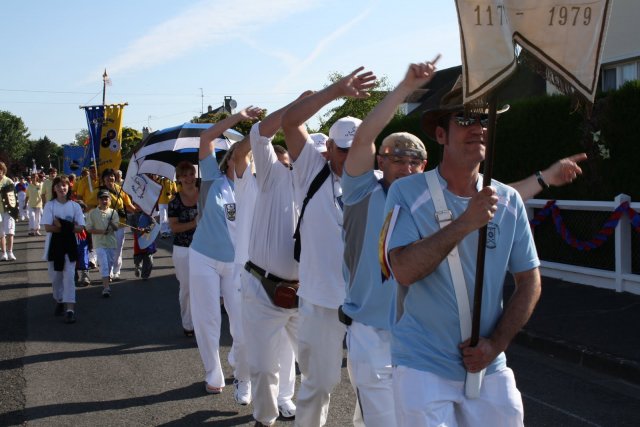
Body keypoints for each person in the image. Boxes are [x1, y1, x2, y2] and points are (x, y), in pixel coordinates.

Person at [380, 75, 542, 427]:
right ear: (441, 135)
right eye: (466, 119)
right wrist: (466, 222)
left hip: (488, 367)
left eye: (485, 119)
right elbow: (403, 269)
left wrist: (495, 345)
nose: (478, 127)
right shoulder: (406, 192)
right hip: (421, 367)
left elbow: (530, 281)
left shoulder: (509, 201)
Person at [281, 67, 376, 427]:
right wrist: (336, 90)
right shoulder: (310, 172)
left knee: (371, 388)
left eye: (360, 148)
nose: (351, 157)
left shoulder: (379, 182)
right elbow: (291, 123)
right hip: (320, 302)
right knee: (318, 386)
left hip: (368, 305)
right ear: (330, 149)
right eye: (344, 150)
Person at [240, 97, 306, 425]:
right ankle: (264, 418)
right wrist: (298, 105)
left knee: (315, 367)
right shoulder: (272, 174)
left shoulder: (327, 187)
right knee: (264, 367)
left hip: (306, 293)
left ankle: (293, 404)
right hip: (263, 286)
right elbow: (259, 135)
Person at [189, 106, 261, 399]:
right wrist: (239, 117)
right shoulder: (212, 181)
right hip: (203, 257)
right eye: (236, 155)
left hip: (237, 265)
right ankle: (213, 373)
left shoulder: (256, 187)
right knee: (207, 320)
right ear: (229, 159)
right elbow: (206, 138)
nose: (241, 160)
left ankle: (242, 376)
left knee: (241, 324)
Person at [41, 175, 85, 323]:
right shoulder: (50, 205)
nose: (62, 188)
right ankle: (59, 299)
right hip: (54, 246)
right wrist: (68, 226)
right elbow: (48, 227)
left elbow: (80, 228)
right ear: (54, 188)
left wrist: (62, 225)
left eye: (64, 185)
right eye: (59, 185)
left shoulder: (75, 206)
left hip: (70, 245)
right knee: (56, 277)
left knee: (69, 277)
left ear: (69, 187)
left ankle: (70, 309)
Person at [168, 161, 198, 337]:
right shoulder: (175, 202)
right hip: (183, 249)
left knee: (203, 287)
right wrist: (194, 223)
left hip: (205, 249)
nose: (189, 178)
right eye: (184, 175)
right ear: (178, 178)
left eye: (191, 174)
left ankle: (201, 321)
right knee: (186, 287)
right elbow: (174, 228)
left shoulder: (204, 194)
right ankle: (188, 323)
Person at [93, 168, 136, 280]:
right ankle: (108, 272)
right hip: (105, 226)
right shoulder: (99, 191)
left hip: (120, 224)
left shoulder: (120, 189)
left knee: (117, 250)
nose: (110, 178)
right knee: (108, 250)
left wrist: (141, 211)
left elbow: (129, 205)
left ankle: (116, 271)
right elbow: (91, 206)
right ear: (103, 179)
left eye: (111, 176)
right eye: (107, 176)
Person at [86, 188, 120, 297]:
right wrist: (101, 231)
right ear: (98, 200)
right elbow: (89, 228)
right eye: (102, 199)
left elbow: (116, 228)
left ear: (110, 200)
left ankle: (106, 280)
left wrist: (112, 224)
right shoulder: (92, 213)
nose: (104, 201)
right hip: (99, 243)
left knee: (109, 264)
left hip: (111, 243)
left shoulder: (113, 212)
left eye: (106, 199)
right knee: (104, 264)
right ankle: (106, 288)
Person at [0, 162, 17, 261]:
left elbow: (13, 197)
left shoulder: (8, 181)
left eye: (0, 169)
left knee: (10, 231)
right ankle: (4, 253)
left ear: (3, 170)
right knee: (1, 233)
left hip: (8, 210)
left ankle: (10, 252)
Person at [24, 172, 43, 236]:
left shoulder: (40, 185)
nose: (34, 178)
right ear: (31, 179)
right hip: (31, 204)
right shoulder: (29, 186)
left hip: (39, 204)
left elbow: (42, 194)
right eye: (32, 177)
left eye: (35, 177)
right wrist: (25, 204)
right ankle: (31, 230)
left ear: (37, 178)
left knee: (38, 218)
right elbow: (27, 196)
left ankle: (37, 230)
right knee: (32, 216)